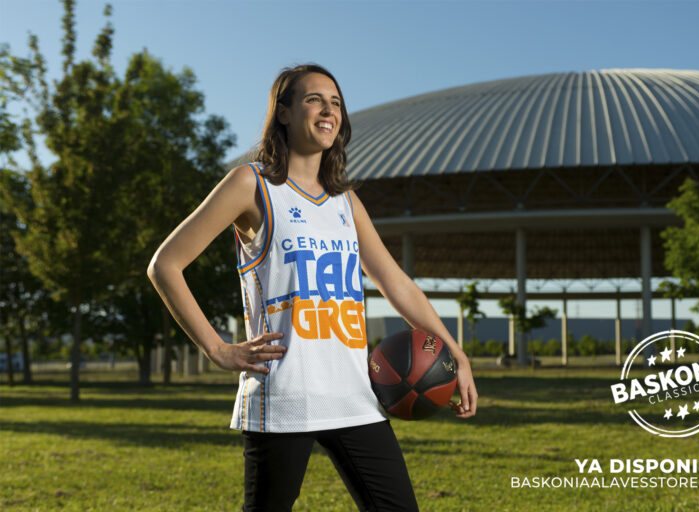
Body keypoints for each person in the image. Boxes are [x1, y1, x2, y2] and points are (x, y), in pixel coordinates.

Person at [147, 63, 478, 512]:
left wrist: (454, 352)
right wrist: (218, 349)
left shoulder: (344, 200)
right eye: (314, 99)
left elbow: (396, 283)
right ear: (282, 113)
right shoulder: (252, 185)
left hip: (354, 395)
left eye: (336, 102)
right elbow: (165, 265)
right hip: (284, 395)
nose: (329, 110)